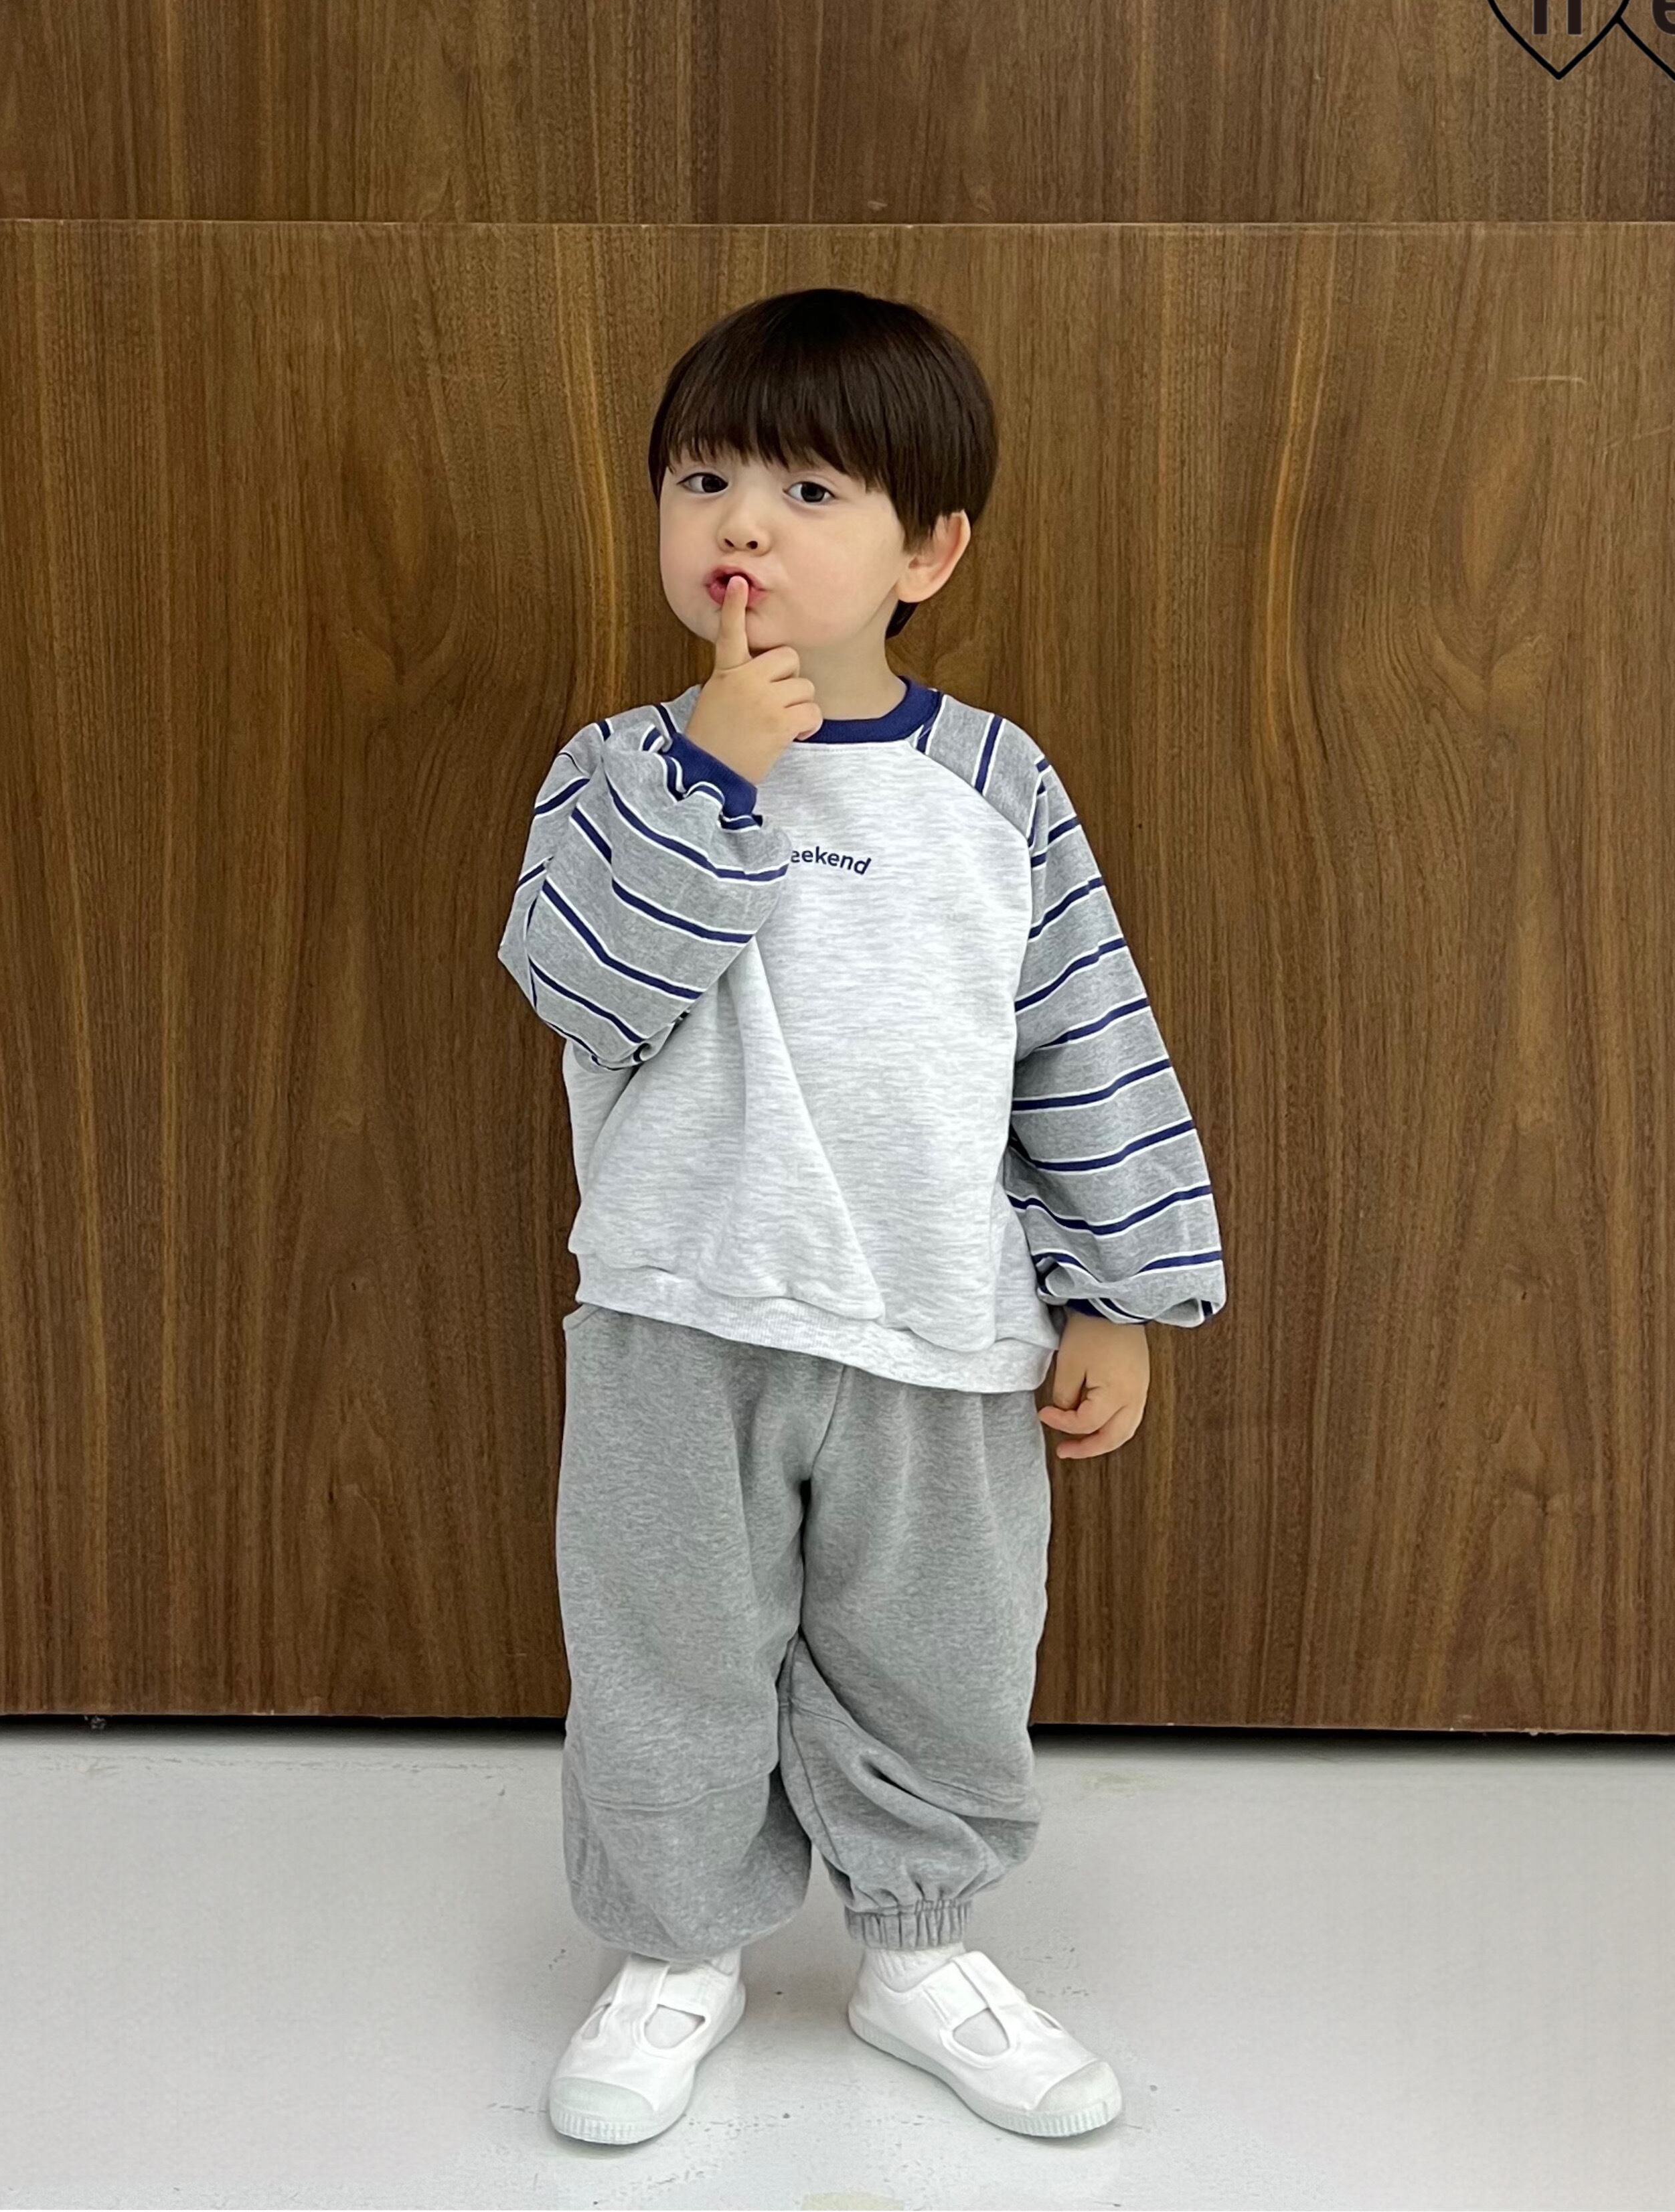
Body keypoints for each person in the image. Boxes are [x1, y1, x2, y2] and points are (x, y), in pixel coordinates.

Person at [495, 286, 1227, 2146]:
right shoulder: (616, 771)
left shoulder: (997, 786)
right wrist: (718, 774)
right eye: (704, 481)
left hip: (937, 1333)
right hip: (680, 1318)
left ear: (929, 553)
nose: (742, 525)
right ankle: (675, 1953)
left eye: (809, 492)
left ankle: (920, 1952)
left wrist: (1119, 1293)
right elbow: (584, 987)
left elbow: (1084, 1043)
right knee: (666, 1659)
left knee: (944, 1658)